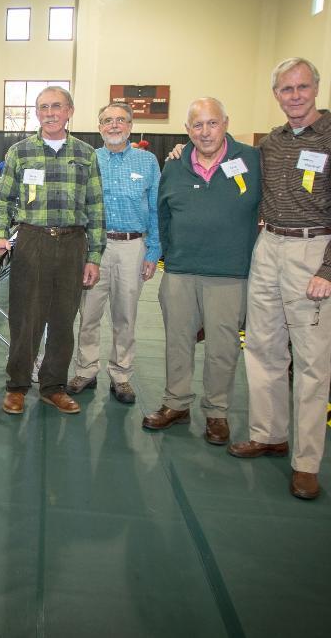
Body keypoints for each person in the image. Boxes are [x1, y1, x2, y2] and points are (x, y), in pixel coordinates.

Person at [227, 58, 331, 501]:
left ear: (316, 89)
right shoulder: (270, 144)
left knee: (310, 364)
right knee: (263, 349)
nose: (295, 95)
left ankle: (306, 463)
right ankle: (269, 433)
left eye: (302, 87)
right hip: (269, 246)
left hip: (314, 251)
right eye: (286, 89)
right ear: (276, 94)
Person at [143, 98, 261, 444]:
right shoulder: (175, 165)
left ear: (226, 123)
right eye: (198, 125)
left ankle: (217, 413)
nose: (205, 131)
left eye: (212, 123)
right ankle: (176, 404)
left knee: (223, 348)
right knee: (178, 341)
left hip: (229, 273)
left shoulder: (251, 160)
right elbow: (163, 215)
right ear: (187, 130)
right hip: (180, 271)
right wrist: (172, 255)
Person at [0, 86, 104, 415]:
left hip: (72, 243)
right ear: (36, 113)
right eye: (43, 107)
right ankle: (17, 385)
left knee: (63, 318)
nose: (50, 113)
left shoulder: (86, 154)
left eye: (56, 106)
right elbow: (3, 202)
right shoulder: (20, 153)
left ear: (69, 111)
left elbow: (96, 208)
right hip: (31, 241)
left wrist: (94, 256)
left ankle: (54, 386)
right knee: (26, 317)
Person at [68, 102, 160, 404]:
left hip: (134, 247)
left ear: (130, 126)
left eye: (120, 120)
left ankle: (121, 376)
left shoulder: (147, 162)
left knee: (125, 315)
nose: (114, 126)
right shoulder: (87, 159)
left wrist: (154, 250)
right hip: (94, 247)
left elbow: (157, 209)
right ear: (99, 127)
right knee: (89, 313)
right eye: (107, 121)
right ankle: (86, 369)